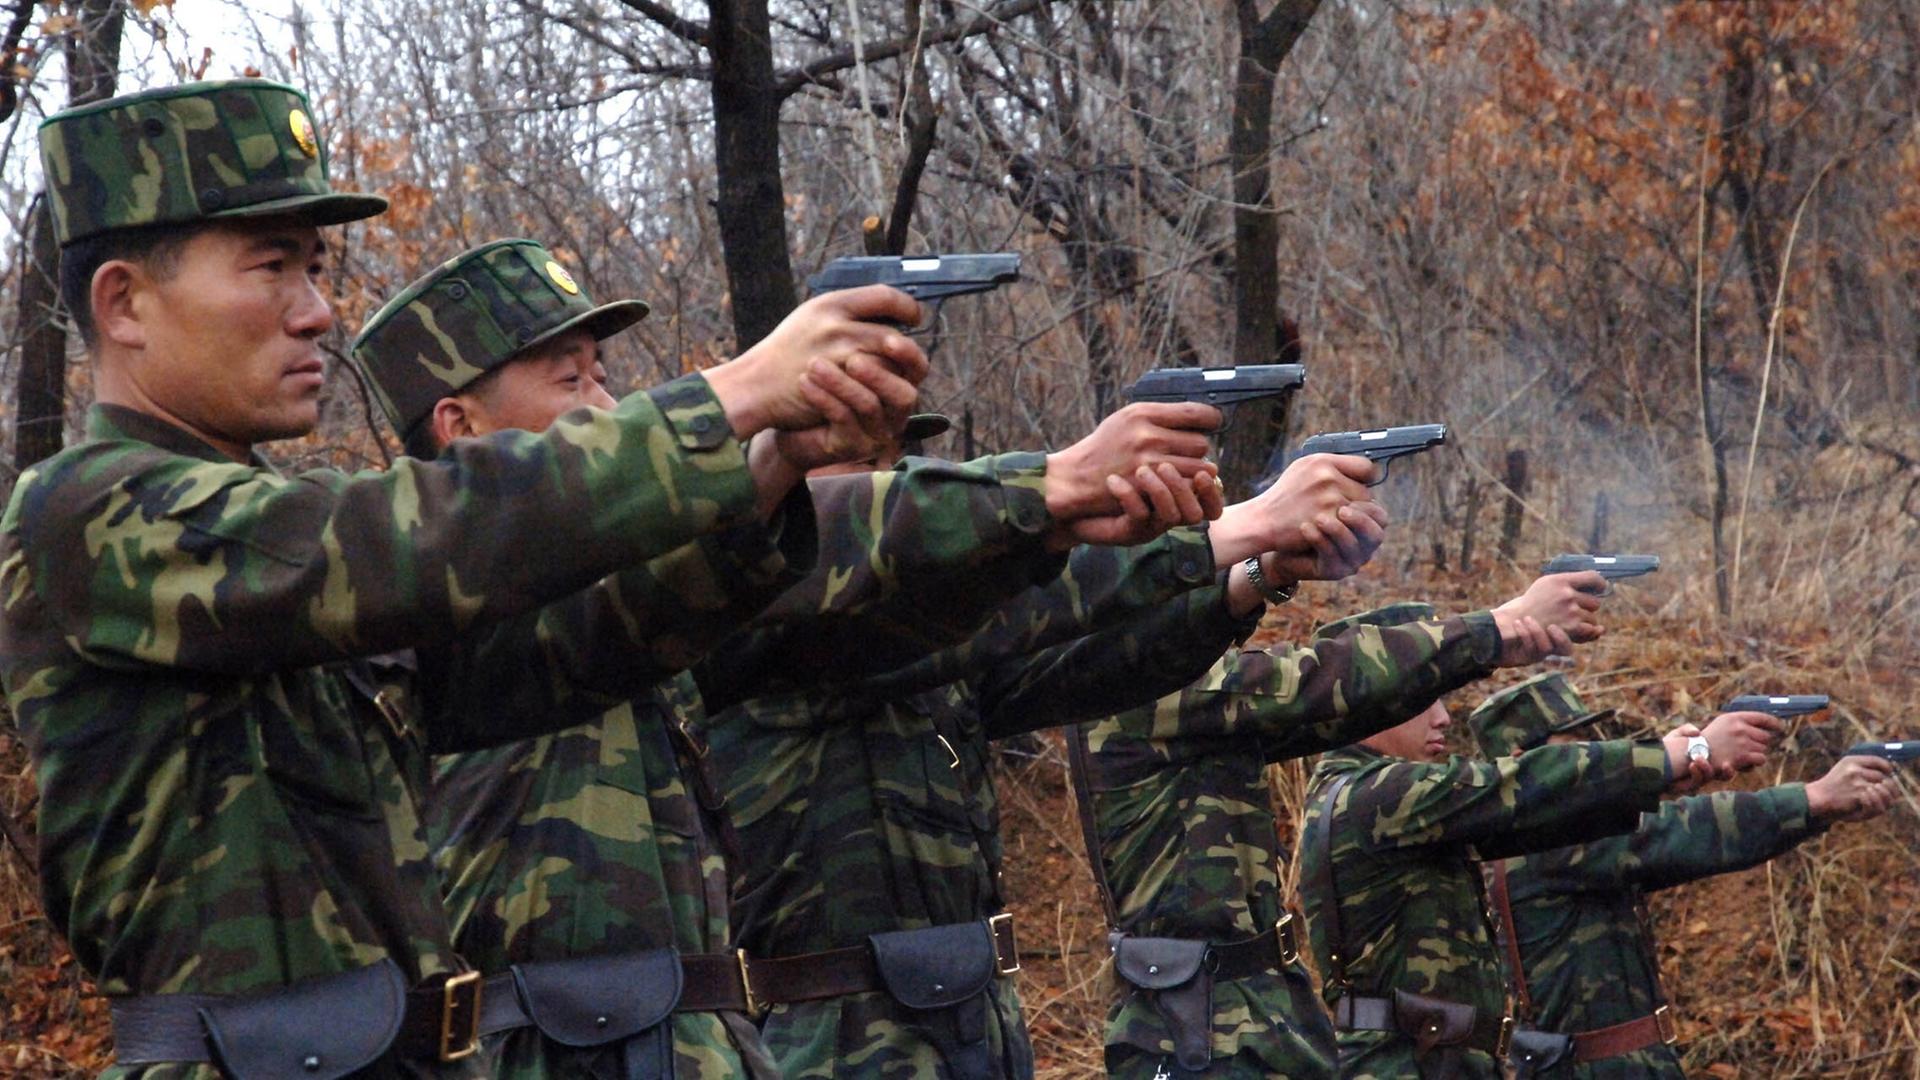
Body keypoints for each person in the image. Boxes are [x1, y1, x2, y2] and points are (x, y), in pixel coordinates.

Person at [0, 79, 932, 1078]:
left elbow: (542, 662)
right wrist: (734, 394)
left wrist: (765, 475)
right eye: (272, 268)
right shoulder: (89, 513)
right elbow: (426, 531)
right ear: (126, 302)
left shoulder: (277, 566)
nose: (318, 313)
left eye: (316, 270)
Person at [351, 236, 1231, 1078]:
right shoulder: (442, 611)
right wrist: (1051, 488)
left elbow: (925, 620)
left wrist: (1122, 542)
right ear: (459, 426)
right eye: (570, 380)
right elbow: (838, 553)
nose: (607, 407)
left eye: (604, 374)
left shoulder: (632, 609)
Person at [695, 452, 1396, 1079]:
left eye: (893, 459)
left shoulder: (937, 654)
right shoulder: (765, 622)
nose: (887, 485)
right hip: (832, 1043)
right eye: (855, 468)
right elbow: (1033, 610)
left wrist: (1251, 577)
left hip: (971, 1026)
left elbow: (1093, 664)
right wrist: (1239, 526)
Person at [1067, 579, 1612, 1079]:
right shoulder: (1142, 688)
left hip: (1253, 1022)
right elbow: (1323, 681)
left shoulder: (1180, 698)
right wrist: (1497, 627)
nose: (1443, 719)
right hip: (1201, 1033)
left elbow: (1339, 695)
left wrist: (1265, 569)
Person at [1298, 604, 1786, 1080]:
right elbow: (1520, 789)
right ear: (1373, 697)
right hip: (1409, 1063)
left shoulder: (1368, 795)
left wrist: (1663, 776)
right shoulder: (1375, 796)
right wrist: (1674, 755)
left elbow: (1540, 815)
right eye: (1426, 699)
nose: (1445, 718)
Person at [1468, 675, 1899, 1078]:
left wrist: (1673, 775)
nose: (1595, 756)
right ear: (1525, 765)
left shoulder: (1539, 839)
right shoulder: (1547, 843)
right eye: (1574, 749)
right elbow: (1690, 831)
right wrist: (1816, 797)